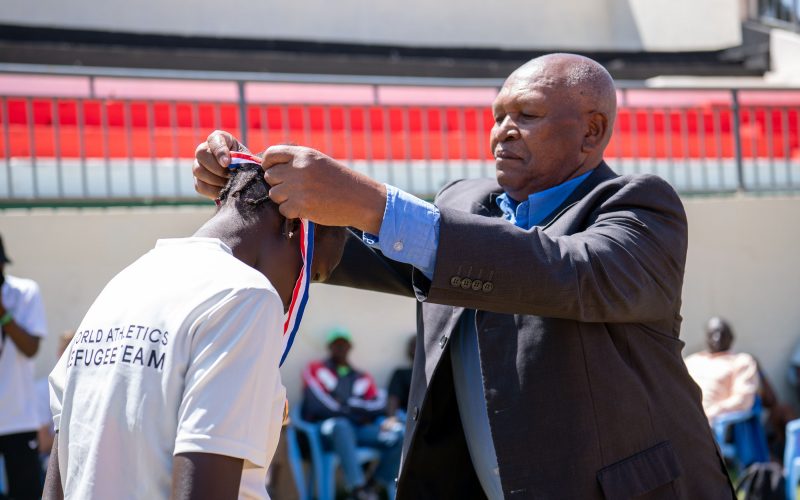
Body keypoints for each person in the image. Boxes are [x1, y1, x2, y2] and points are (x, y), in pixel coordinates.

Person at [193, 53, 735, 498]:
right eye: (498, 115)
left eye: (527, 114)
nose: (503, 131)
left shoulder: (639, 208)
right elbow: (342, 250)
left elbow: (564, 272)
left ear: (592, 132)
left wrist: (375, 205)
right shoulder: (465, 204)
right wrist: (257, 189)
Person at [44, 159, 346, 499]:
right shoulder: (246, 296)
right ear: (293, 226)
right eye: (312, 274)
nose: (295, 297)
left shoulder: (125, 283)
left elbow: (60, 477)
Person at [301, 327, 401, 500]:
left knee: (399, 436)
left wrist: (347, 404)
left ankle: (372, 486)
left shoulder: (362, 377)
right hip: (327, 431)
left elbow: (379, 404)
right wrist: (356, 410)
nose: (340, 348)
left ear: (350, 347)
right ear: (329, 347)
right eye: (336, 344)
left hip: (357, 429)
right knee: (340, 424)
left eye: (344, 344)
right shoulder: (315, 369)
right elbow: (316, 403)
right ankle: (357, 489)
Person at [0, 233, 49, 500]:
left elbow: (31, 348)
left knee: (26, 494)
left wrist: (3, 314)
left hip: (17, 419)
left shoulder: (24, 292)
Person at [685, 317, 760, 422]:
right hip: (684, 417)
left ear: (731, 337)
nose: (717, 338)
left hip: (715, 423)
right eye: (712, 334)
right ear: (706, 337)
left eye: (722, 333)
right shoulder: (691, 361)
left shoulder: (741, 361)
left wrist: (712, 412)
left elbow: (743, 400)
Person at [385, 335, 415, 420]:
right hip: (405, 418)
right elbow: (393, 398)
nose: (415, 351)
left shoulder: (436, 374)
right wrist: (391, 418)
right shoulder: (401, 374)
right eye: (413, 347)